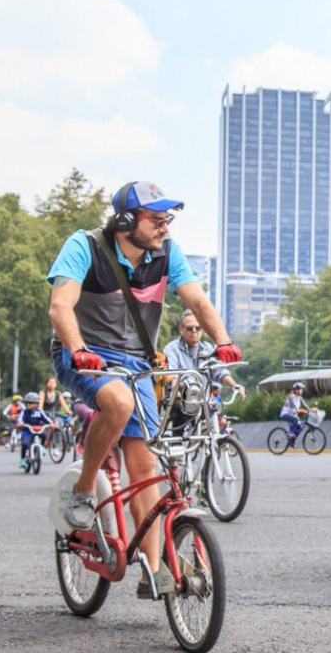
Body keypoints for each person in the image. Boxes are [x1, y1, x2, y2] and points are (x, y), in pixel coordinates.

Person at [47, 180, 241, 599]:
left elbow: (198, 302)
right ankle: (83, 491)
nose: (165, 226)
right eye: (156, 218)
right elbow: (61, 305)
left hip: (137, 364)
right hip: (85, 356)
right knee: (117, 400)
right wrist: (78, 349)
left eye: (167, 218)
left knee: (145, 467)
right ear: (125, 220)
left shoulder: (167, 254)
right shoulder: (85, 247)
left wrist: (223, 342)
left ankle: (153, 570)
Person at [162, 309, 245, 435]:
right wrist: (177, 390)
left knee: (217, 413)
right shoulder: (172, 348)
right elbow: (173, 374)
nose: (194, 332)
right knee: (179, 410)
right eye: (190, 328)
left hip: (203, 399)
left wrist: (234, 385)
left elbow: (219, 371)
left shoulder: (208, 348)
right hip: (180, 397)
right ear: (181, 329)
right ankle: (176, 446)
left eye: (198, 328)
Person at [17, 392, 53, 469]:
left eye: (31, 403)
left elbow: (46, 419)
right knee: (25, 444)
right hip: (27, 431)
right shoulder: (24, 412)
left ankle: (42, 448)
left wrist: (51, 424)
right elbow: (20, 420)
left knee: (44, 436)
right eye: (27, 403)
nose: (29, 405)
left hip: (38, 430)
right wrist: (20, 424)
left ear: (36, 404)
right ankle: (23, 459)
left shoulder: (39, 412)